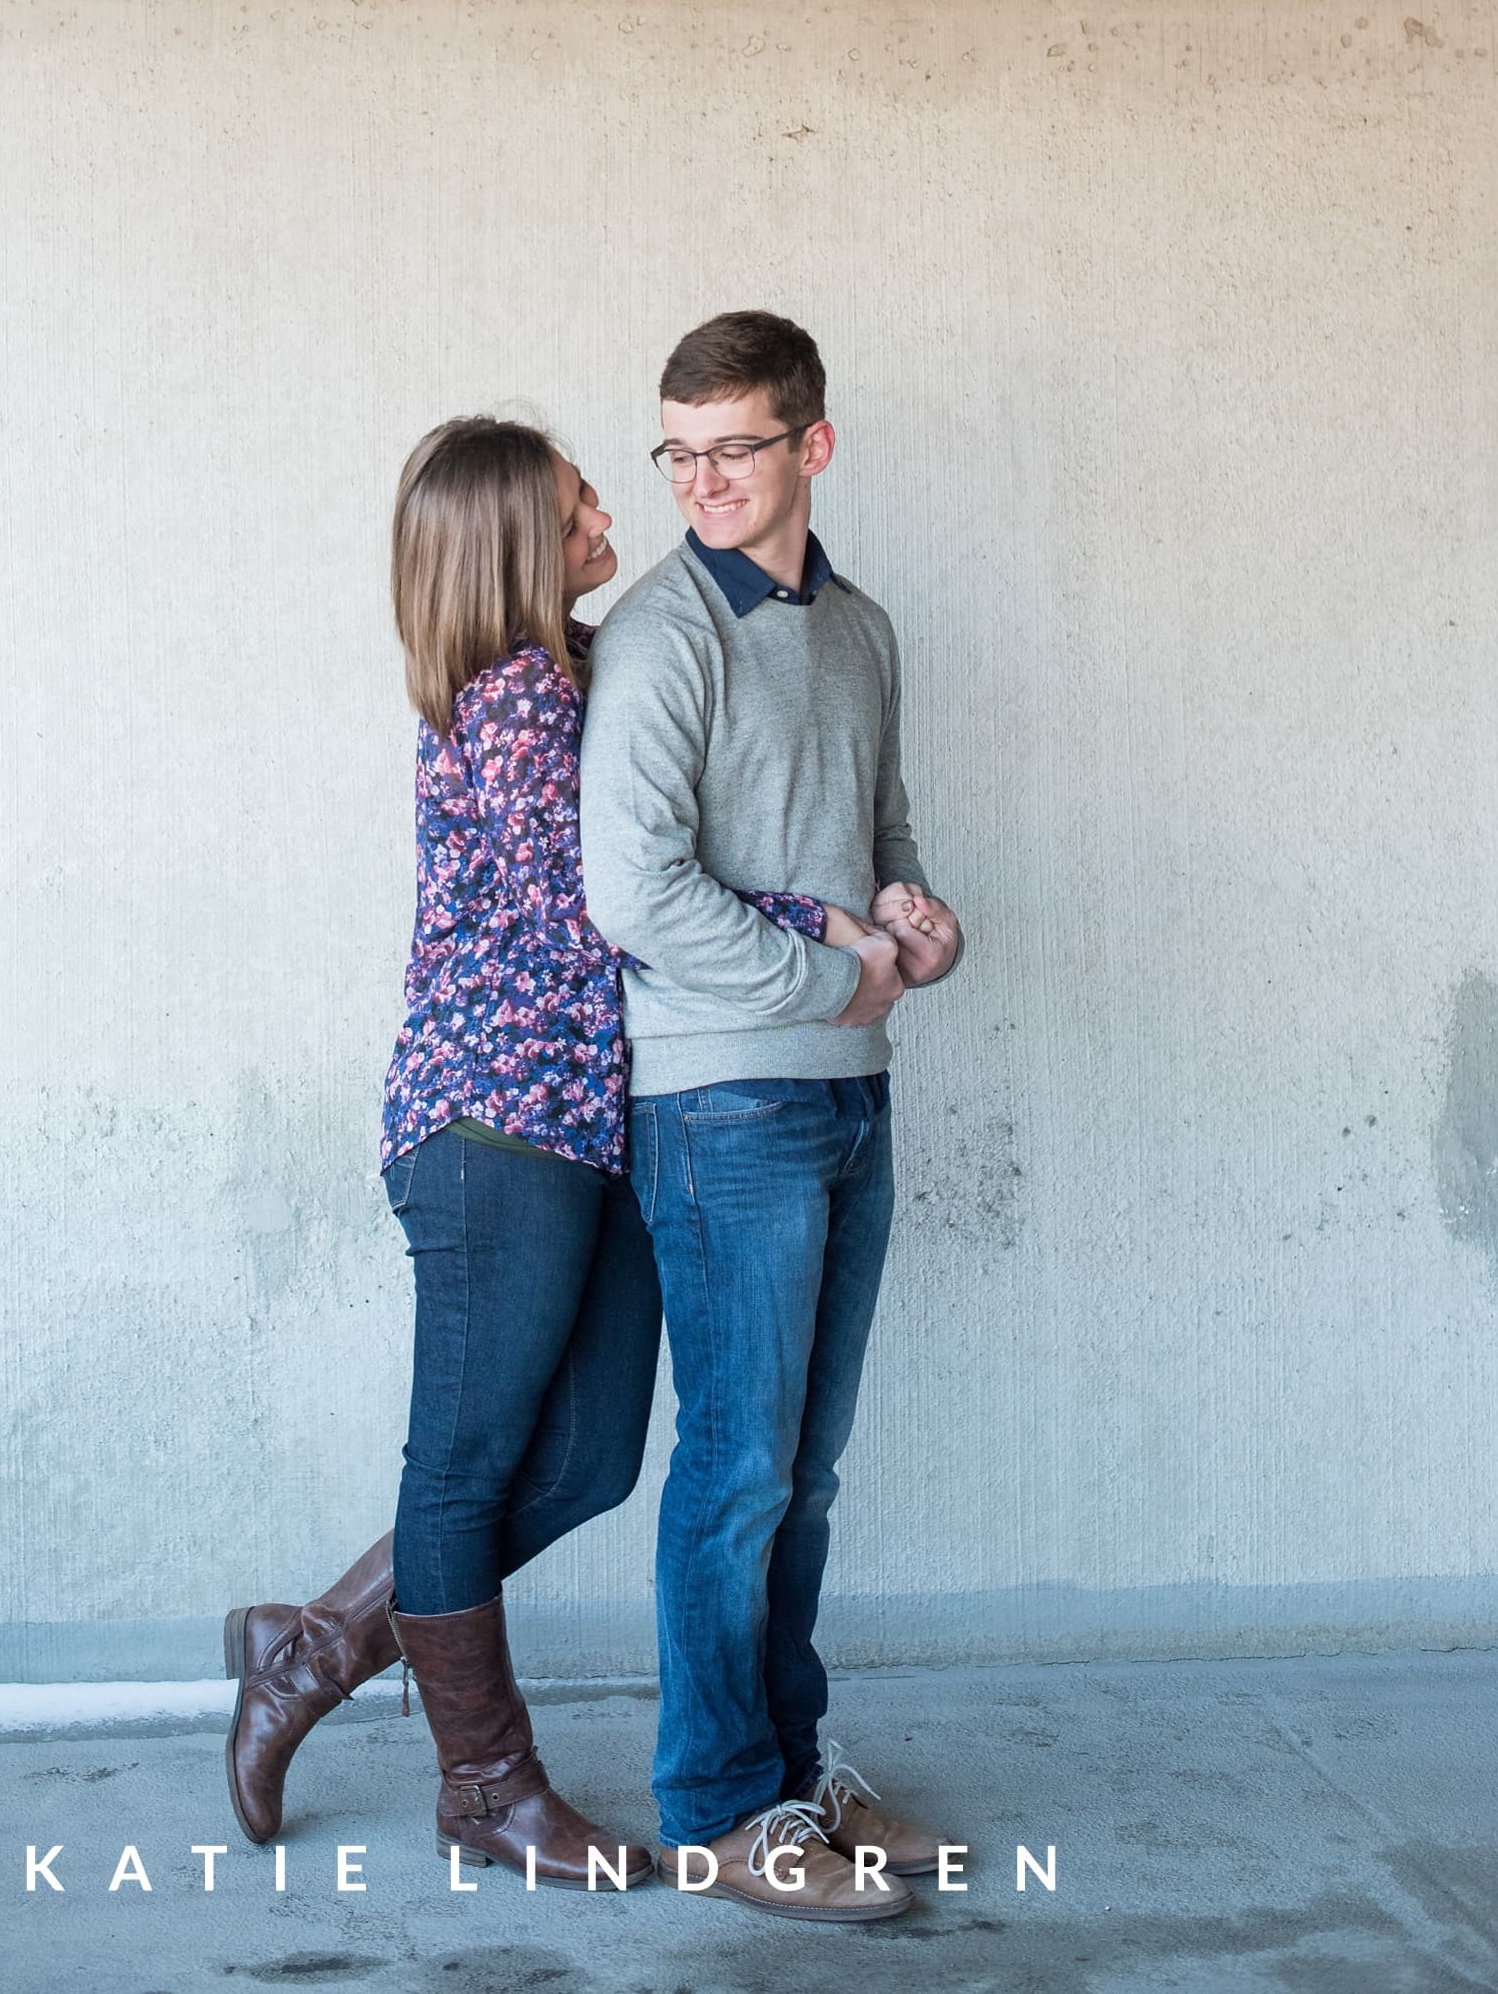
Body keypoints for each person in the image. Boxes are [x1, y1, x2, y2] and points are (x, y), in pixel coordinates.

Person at [225, 417, 878, 1883]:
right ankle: (485, 1788)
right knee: (458, 1477)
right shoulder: (518, 696)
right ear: (519, 534)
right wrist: (814, 923)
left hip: (581, 1128)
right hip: (492, 1131)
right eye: (575, 491)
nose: (604, 503)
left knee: (587, 1460)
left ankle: (316, 1645)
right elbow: (615, 900)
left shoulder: (576, 670)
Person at [579, 310, 965, 1926]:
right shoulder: (668, 635)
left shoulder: (861, 629)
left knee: (804, 1473)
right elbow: (631, 890)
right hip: (720, 1098)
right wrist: (832, 983)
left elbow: (878, 838)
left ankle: (792, 1770)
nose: (700, 480)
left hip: (844, 1093)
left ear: (811, 445)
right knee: (736, 1470)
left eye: (733, 446)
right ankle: (721, 1808)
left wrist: (920, 925)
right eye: (676, 450)